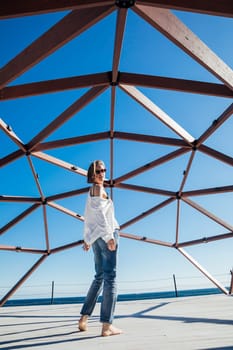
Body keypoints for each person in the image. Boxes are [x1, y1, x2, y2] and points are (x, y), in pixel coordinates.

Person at [78, 160, 122, 337]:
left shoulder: (93, 191)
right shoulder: (97, 189)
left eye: (103, 170)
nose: (102, 173)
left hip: (96, 238)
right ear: (92, 174)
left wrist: (87, 239)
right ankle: (106, 325)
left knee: (99, 277)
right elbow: (100, 215)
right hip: (106, 236)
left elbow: (88, 217)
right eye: (98, 171)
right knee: (110, 278)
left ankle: (84, 318)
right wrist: (110, 237)